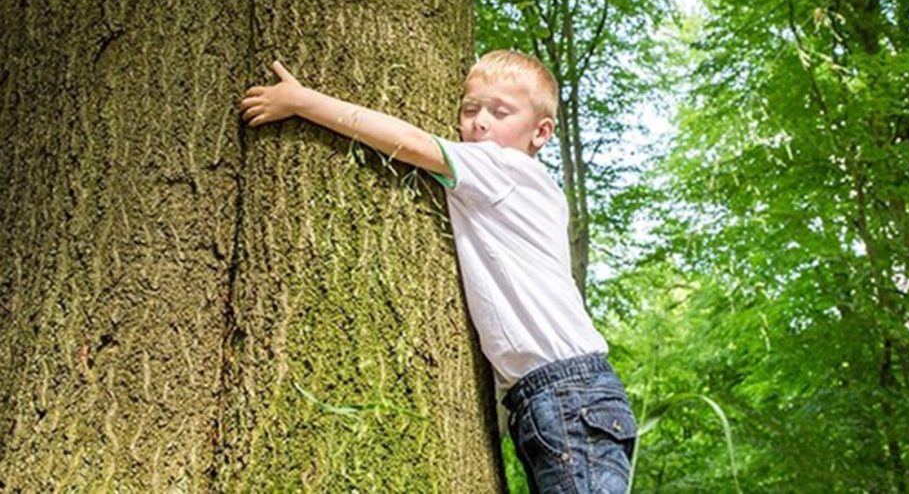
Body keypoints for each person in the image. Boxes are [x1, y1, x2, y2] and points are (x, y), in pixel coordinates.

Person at [239, 49, 638, 492]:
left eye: (501, 112)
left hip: (567, 395)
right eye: (470, 109)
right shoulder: (518, 185)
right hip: (561, 395)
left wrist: (303, 102)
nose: (480, 122)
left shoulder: (502, 168)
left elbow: (410, 143)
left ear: (541, 132)